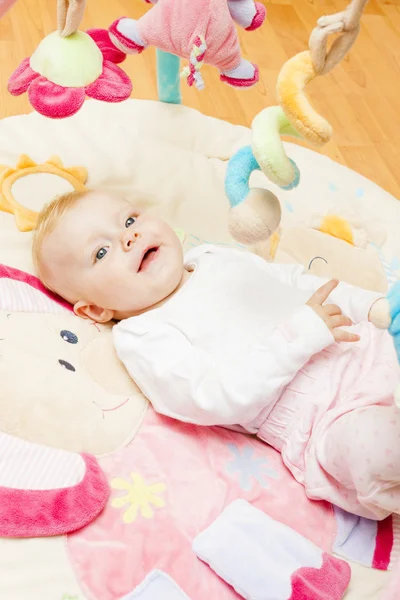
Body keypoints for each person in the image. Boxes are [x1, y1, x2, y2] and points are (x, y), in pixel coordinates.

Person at [32, 189, 400, 520]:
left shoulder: (211, 257)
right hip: (328, 419)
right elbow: (215, 398)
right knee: (376, 446)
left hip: (367, 348)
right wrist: (298, 335)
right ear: (95, 311)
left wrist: (372, 307)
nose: (129, 237)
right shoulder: (143, 336)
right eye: (101, 251)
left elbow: (297, 282)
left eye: (130, 220)